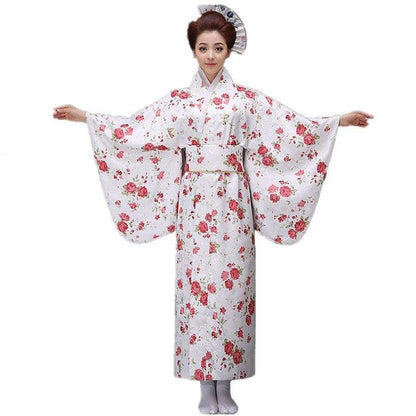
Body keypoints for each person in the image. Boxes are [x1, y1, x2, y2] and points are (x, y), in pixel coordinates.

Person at [53, 5, 373, 415]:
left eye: (218, 48)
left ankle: (227, 383)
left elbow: (290, 128)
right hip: (195, 202)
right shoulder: (179, 102)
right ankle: (205, 385)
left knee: (233, 288)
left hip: (235, 201)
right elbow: (136, 130)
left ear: (229, 50)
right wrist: (85, 118)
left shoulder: (246, 100)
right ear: (193, 49)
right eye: (203, 47)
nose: (210, 55)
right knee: (199, 289)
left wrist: (338, 121)